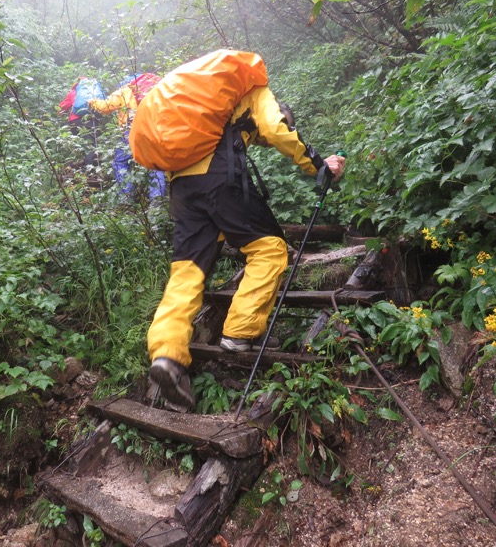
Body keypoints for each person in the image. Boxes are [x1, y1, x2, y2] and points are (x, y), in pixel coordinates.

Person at [146, 84, 346, 411]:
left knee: (186, 273)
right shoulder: (254, 94)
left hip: (182, 186)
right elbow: (276, 128)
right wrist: (318, 166)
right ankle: (240, 332)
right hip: (219, 176)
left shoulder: (211, 112)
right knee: (269, 248)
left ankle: (167, 356)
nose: (262, 142)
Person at [89, 75, 166, 200]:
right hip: (155, 130)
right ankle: (157, 200)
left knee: (121, 162)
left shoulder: (126, 90)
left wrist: (92, 102)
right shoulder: (157, 88)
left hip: (132, 130)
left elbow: (105, 106)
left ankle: (126, 197)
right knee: (155, 163)